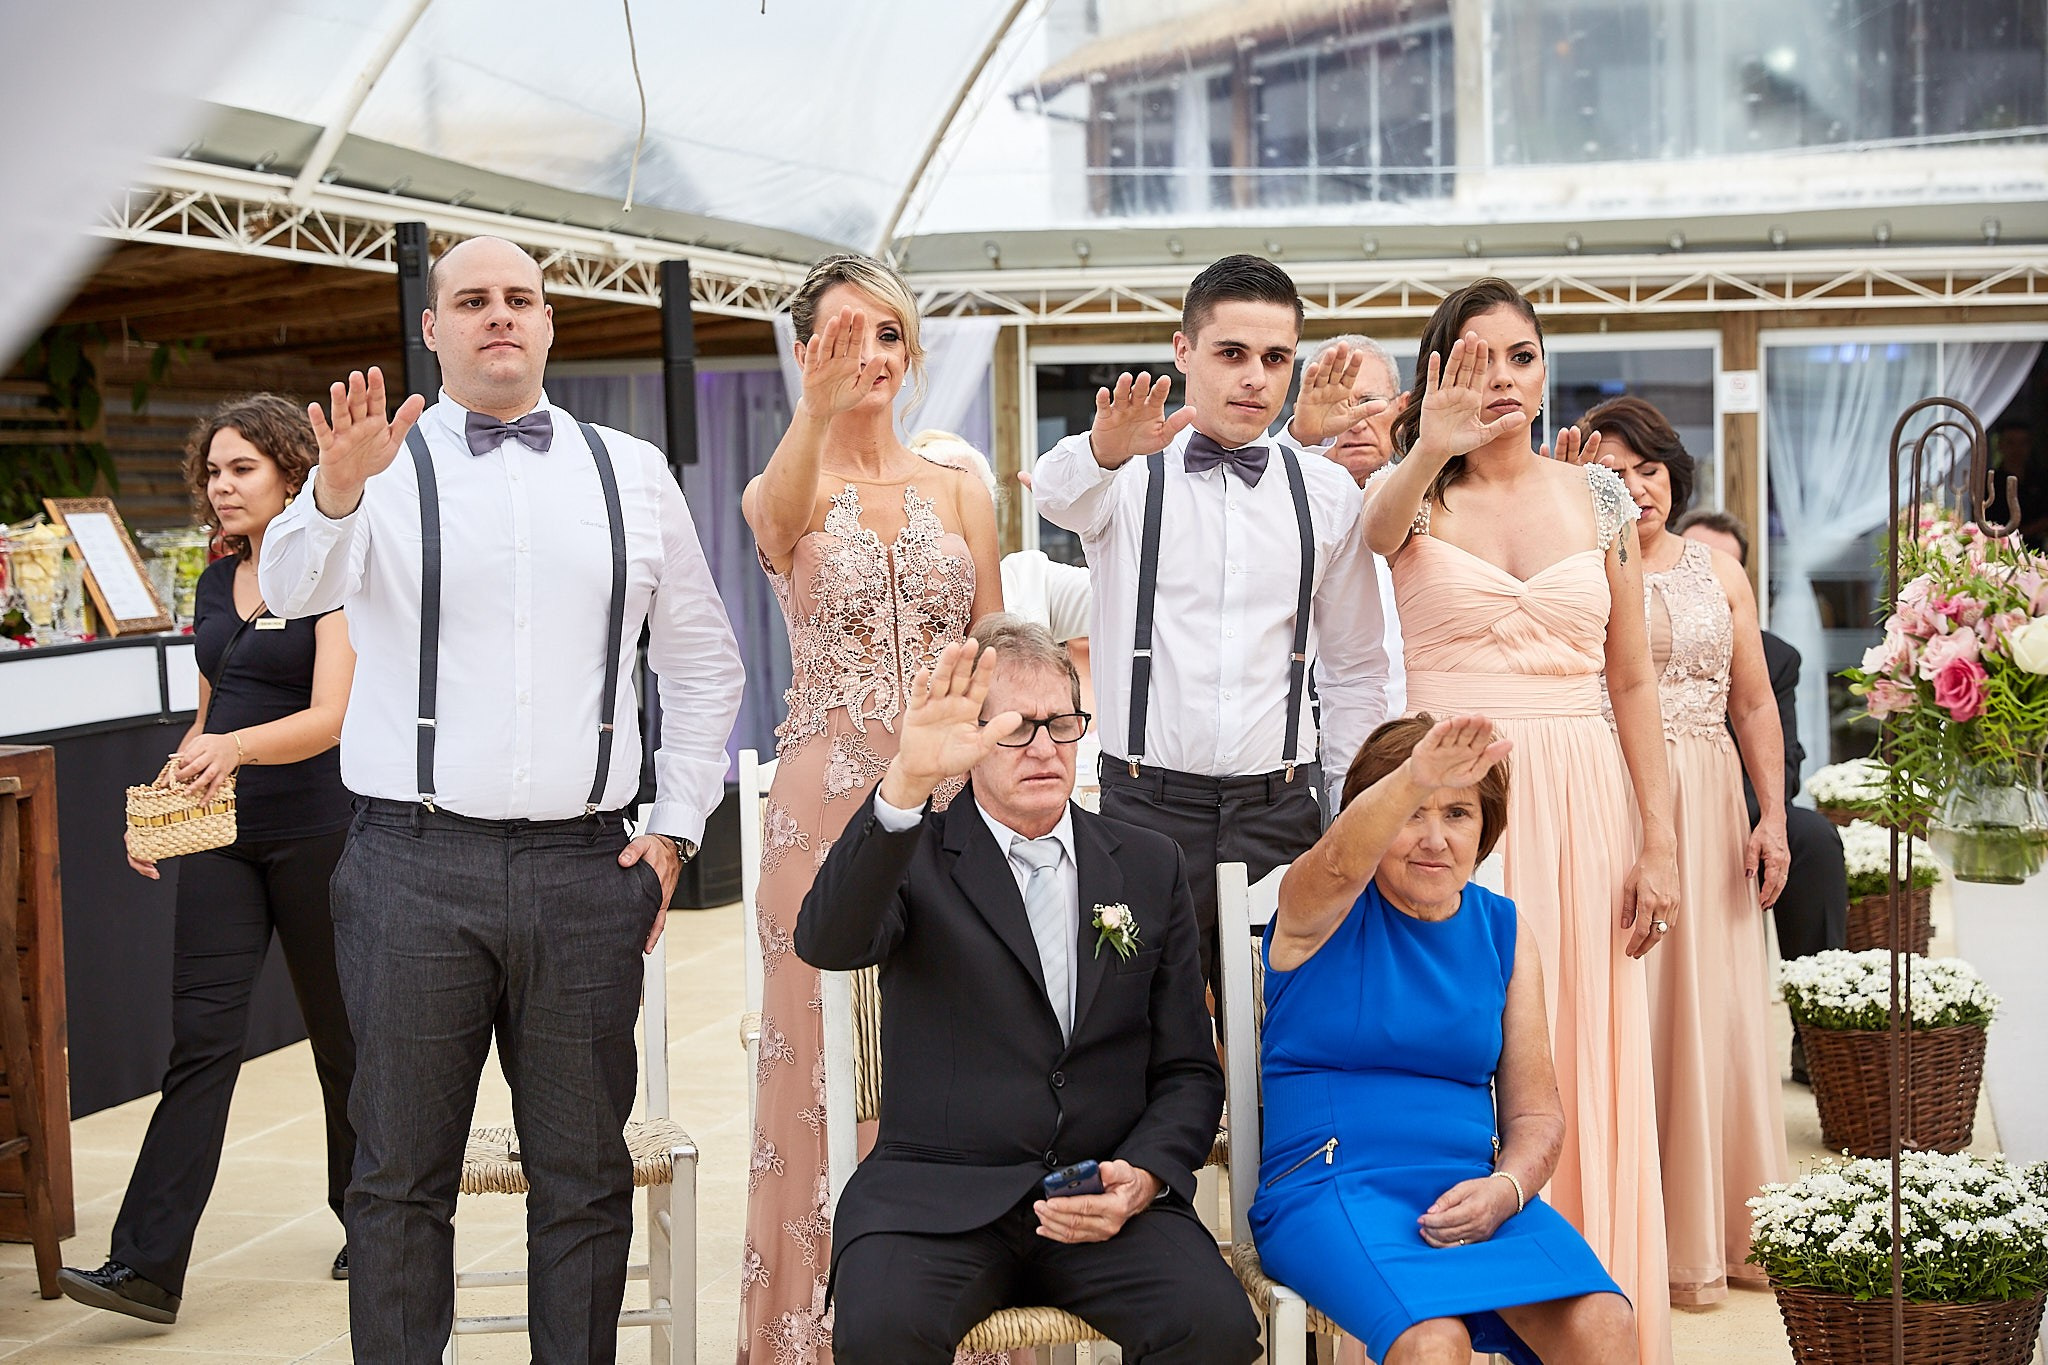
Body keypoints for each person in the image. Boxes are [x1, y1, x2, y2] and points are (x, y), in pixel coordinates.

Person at [259, 235, 744, 1362]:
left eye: (519, 298)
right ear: (431, 329)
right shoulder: (374, 471)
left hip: (588, 871)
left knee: (581, 1180)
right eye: (470, 300)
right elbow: (288, 588)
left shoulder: (630, 471)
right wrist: (333, 490)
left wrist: (675, 826)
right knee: (396, 1180)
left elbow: (705, 661)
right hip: (409, 867)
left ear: (548, 323)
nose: (498, 317)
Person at [1358, 278, 1678, 1365]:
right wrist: (1421, 443)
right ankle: (1450, 1324)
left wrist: (1659, 840)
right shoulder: (1412, 499)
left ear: (1545, 370)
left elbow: (1630, 682)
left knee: (1577, 1044)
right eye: (1475, 358)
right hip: (1448, 806)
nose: (1501, 379)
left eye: (1521, 357)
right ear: (1438, 369)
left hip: (1583, 797)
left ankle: (1587, 1320)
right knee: (1448, 1045)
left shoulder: (1596, 499)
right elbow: (1367, 534)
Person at [797, 619, 1260, 1365]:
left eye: (1061, 724)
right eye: (1016, 729)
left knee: (1215, 1326)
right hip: (936, 1205)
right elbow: (825, 940)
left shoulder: (1149, 865)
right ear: (972, 737)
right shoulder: (915, 854)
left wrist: (1141, 1177)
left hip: (1101, 1201)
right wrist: (906, 782)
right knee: (881, 1330)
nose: (1045, 747)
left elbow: (1187, 1070)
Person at [739, 256, 1002, 1362]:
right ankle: (816, 1333)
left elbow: (991, 646)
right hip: (826, 798)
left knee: (960, 1045)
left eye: (887, 334)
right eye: (844, 336)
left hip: (955, 798)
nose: (869, 356)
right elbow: (777, 522)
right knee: (818, 1065)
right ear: (805, 352)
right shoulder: (781, 487)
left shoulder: (959, 489)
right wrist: (816, 407)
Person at [59, 395, 358, 1325]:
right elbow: (209, 712)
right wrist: (170, 787)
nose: (221, 487)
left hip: (322, 828)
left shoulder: (334, 574)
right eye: (214, 472)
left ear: (290, 474)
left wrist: (232, 749)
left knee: (345, 1039)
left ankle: (371, 1214)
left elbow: (330, 717)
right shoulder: (210, 579)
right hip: (222, 833)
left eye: (243, 470)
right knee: (201, 1042)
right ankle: (147, 1264)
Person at [1033, 255, 1393, 1001]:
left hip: (1282, 811)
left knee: (1282, 1025)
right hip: (1144, 808)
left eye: (1275, 358)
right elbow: (1057, 495)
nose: (1255, 377)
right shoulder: (1125, 476)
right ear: (1182, 351)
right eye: (1232, 353)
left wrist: (1348, 805)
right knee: (1138, 1038)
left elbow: (1357, 667)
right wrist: (1104, 447)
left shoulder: (1326, 492)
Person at [1252, 714, 1636, 1365]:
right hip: (1329, 1184)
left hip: (1470, 1191)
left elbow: (1536, 1113)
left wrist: (1508, 1188)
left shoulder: (1503, 931)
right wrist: (1415, 775)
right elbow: (1343, 860)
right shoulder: (1321, 907)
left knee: (1605, 1323)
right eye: (1412, 811)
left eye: (1457, 812)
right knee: (1435, 1341)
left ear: (1484, 829)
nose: (1434, 838)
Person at [1581, 398, 1791, 1305]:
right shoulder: (1580, 566)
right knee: (1628, 1005)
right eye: (1614, 473)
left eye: (1650, 470)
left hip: (1709, 807)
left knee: (1714, 1011)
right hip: (1614, 798)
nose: (1635, 488)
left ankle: (1719, 1232)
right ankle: (1624, 1231)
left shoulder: (1720, 573)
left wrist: (1772, 814)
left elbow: (1753, 702)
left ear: (1675, 476)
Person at [1677, 508, 1849, 1082]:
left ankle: (1817, 1032)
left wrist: (1751, 815)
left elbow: (1789, 767)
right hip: (1655, 798)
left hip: (1739, 806)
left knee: (1814, 839)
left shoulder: (1776, 657)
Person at [1290, 333, 1409, 722]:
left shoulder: (1440, 502)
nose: (1354, 422)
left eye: (1367, 403)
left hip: (1412, 731)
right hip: (1289, 750)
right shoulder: (1271, 502)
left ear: (1402, 408)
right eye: (1336, 404)